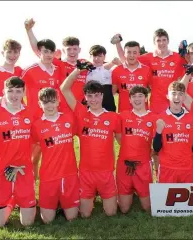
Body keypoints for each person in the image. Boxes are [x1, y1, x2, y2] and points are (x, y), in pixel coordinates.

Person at [60, 64, 121, 217]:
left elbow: (122, 142)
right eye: (90, 96)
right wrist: (77, 70)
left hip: (106, 172)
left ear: (102, 96)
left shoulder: (113, 117)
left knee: (111, 212)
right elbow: (64, 89)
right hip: (86, 172)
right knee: (85, 214)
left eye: (96, 95)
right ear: (85, 97)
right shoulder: (81, 113)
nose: (93, 99)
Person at [0, 77, 36, 227]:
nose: (14, 95)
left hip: (24, 171)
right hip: (2, 171)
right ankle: (11, 201)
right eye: (10, 91)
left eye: (18, 91)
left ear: (24, 92)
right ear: (4, 92)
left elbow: (39, 138)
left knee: (28, 223)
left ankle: (17, 197)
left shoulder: (30, 113)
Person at [31, 87, 79, 223]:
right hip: (48, 176)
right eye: (45, 102)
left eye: (52, 101)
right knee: (47, 220)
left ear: (58, 102)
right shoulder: (37, 126)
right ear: (40, 104)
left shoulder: (69, 118)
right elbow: (26, 144)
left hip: (69, 174)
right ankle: (57, 205)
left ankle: (64, 204)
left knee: (72, 218)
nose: (49, 105)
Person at [21, 38, 67, 178]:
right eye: (45, 51)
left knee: (52, 156)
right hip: (35, 121)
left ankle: (56, 186)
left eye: (51, 52)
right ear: (38, 52)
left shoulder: (58, 69)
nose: (48, 54)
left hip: (53, 121)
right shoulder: (30, 70)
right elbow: (16, 91)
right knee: (32, 158)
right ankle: (29, 190)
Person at [112, 29, 186, 113]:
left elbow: (192, 64)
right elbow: (127, 59)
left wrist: (186, 53)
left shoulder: (178, 57)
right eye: (158, 40)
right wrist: (118, 43)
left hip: (174, 101)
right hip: (156, 104)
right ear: (154, 42)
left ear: (168, 41)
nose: (161, 43)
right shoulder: (147, 57)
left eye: (164, 40)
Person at [116, 86, 156, 213]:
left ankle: (141, 193)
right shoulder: (122, 116)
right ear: (129, 100)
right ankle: (125, 194)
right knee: (124, 209)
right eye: (134, 96)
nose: (137, 99)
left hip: (143, 165)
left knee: (147, 207)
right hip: (124, 163)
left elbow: (157, 145)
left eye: (140, 96)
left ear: (145, 98)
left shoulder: (154, 118)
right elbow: (118, 137)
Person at [152, 81, 193, 183]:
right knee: (165, 198)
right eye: (174, 93)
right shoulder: (160, 118)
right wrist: (158, 131)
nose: (177, 97)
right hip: (167, 168)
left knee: (186, 197)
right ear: (167, 96)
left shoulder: (192, 118)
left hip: (186, 168)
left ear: (184, 97)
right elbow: (156, 147)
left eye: (180, 94)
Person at [112, 41, 152, 113]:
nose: (132, 55)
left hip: (143, 114)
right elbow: (112, 92)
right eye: (129, 52)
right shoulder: (116, 70)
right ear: (124, 54)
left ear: (139, 54)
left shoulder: (147, 70)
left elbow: (154, 90)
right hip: (124, 113)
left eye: (134, 52)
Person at [0, 39, 23, 107]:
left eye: (15, 52)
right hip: (2, 111)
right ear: (3, 53)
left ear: (19, 54)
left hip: (19, 111)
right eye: (9, 52)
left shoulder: (20, 71)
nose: (12, 55)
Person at [85, 45, 119, 112]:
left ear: (104, 57)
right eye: (94, 56)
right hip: (92, 106)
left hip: (108, 105)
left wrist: (114, 62)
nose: (97, 59)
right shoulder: (85, 71)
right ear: (90, 56)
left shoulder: (111, 70)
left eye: (100, 56)